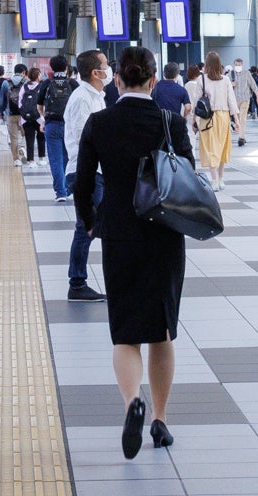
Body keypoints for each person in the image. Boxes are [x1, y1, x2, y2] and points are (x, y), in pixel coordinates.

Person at [72, 44, 188, 459]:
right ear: (154, 80)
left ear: (117, 79)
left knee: (125, 332)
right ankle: (159, 419)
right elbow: (186, 174)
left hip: (119, 234)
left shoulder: (99, 123)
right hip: (165, 235)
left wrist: (90, 221)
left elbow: (82, 183)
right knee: (162, 329)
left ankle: (131, 404)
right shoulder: (170, 121)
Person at [63, 50, 110, 302]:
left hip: (94, 171)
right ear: (95, 72)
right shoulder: (82, 98)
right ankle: (77, 283)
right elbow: (86, 139)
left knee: (92, 226)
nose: (109, 68)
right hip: (85, 172)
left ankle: (79, 281)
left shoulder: (96, 96)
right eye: (105, 65)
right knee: (85, 228)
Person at [189, 53, 242, 185]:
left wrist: (194, 118)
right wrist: (236, 120)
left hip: (208, 118)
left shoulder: (202, 79)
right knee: (222, 146)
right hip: (223, 116)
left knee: (210, 147)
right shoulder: (225, 79)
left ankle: (214, 180)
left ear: (206, 64)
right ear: (219, 64)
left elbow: (197, 101)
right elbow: (231, 100)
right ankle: (221, 179)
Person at [37, 55, 78, 203]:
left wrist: (45, 118)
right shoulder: (73, 83)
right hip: (69, 126)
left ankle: (60, 192)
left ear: (51, 68)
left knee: (55, 159)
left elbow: (39, 106)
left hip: (52, 124)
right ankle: (68, 188)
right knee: (69, 157)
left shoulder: (47, 83)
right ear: (66, 67)